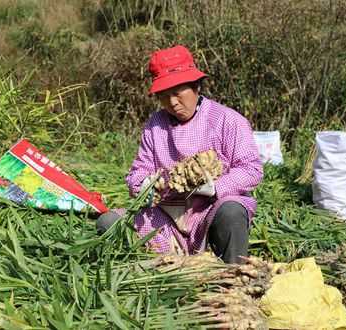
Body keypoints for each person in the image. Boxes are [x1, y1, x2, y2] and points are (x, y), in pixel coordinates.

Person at [97, 45, 263, 264]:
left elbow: (251, 170)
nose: (172, 103)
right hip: (165, 215)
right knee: (108, 222)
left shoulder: (227, 120)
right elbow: (137, 173)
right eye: (164, 96)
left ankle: (233, 275)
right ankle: (152, 270)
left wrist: (214, 188)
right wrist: (144, 184)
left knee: (232, 212)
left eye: (177, 93)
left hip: (210, 210)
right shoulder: (155, 125)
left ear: (196, 86)